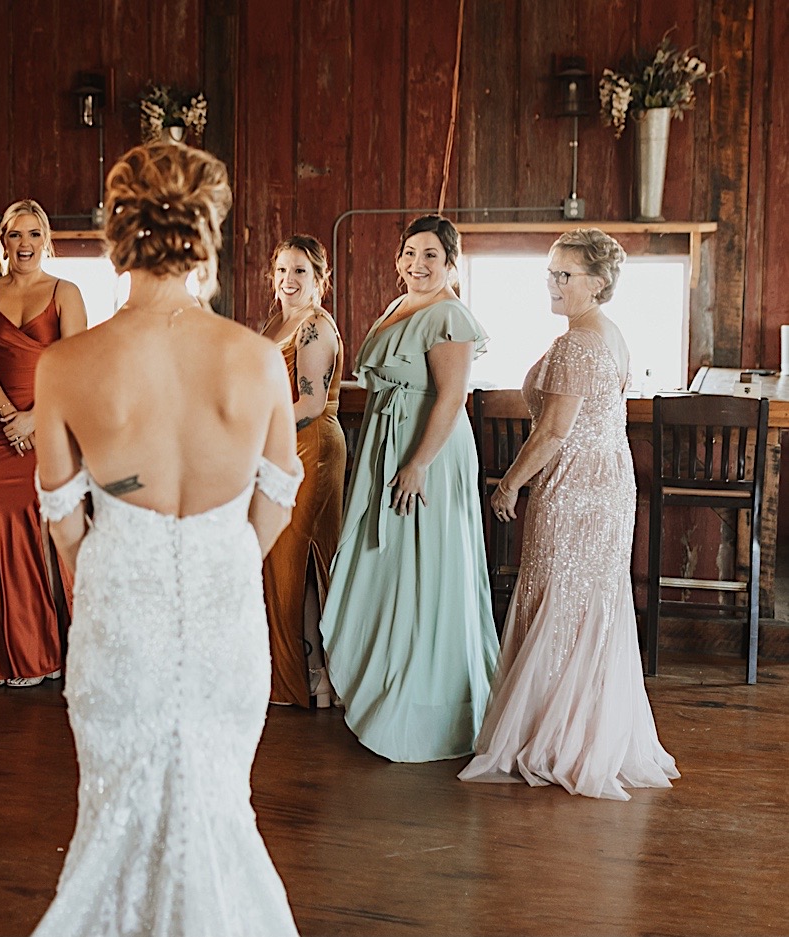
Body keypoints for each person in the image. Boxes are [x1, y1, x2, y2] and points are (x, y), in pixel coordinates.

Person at [31, 140, 303, 937]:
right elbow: (280, 498)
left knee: (118, 809)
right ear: (207, 227)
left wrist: (118, 570)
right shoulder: (256, 359)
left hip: (121, 605)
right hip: (225, 612)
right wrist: (220, 561)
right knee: (219, 802)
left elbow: (63, 518)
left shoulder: (66, 363)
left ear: (117, 230)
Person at [460, 228, 678, 799]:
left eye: (565, 275)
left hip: (579, 484)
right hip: (607, 478)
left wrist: (509, 484)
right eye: (550, 272)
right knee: (584, 599)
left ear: (597, 283)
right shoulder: (604, 334)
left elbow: (554, 431)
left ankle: (556, 738)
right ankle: (576, 729)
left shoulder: (579, 343)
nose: (552, 283)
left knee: (561, 592)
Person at [319, 214, 499, 763]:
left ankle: (430, 694)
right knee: (393, 560)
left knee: (428, 563)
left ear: (450, 263)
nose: (418, 265)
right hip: (388, 438)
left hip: (429, 450)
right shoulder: (400, 305)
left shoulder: (450, 314)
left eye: (431, 256)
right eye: (410, 254)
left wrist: (419, 463)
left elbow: (450, 399)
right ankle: (381, 671)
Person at [0, 199, 87, 688]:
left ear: (47, 241)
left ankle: (49, 650)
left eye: (34, 234)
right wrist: (9, 417)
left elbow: (75, 365)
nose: (25, 244)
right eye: (16, 235)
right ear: (3, 241)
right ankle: (4, 651)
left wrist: (34, 418)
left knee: (48, 535)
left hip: (50, 426)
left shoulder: (66, 292)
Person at [259, 235, 345, 708]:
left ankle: (305, 679)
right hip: (279, 447)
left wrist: (252, 425)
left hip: (311, 448)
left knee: (299, 560)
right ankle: (307, 674)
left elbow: (310, 403)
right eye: (282, 271)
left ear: (319, 280)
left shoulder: (314, 326)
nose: (288, 281)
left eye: (300, 272)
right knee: (283, 563)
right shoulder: (279, 320)